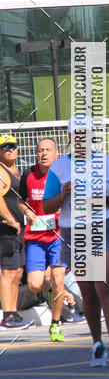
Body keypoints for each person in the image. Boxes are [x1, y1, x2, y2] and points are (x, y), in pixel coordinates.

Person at [42, 118, 109, 366]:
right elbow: (46, 206)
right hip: (75, 232)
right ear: (70, 137)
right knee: (89, 292)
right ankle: (97, 344)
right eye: (76, 134)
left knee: (104, 284)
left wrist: (106, 200)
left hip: (105, 228)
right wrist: (63, 194)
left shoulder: (108, 162)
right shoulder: (59, 167)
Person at [18, 137, 68, 342]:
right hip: (36, 236)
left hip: (58, 234)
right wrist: (27, 212)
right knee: (34, 285)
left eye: (48, 150)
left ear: (56, 153)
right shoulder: (29, 174)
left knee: (59, 277)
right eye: (40, 150)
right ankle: (58, 288)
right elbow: (21, 201)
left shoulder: (64, 174)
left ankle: (55, 324)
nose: (44, 154)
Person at [0, 134, 32, 329]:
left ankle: (14, 313)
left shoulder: (17, 171)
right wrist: (11, 220)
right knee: (9, 272)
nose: (10, 149)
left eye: (13, 146)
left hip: (19, 228)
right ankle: (8, 315)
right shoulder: (2, 172)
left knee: (18, 271)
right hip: (7, 228)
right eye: (5, 147)